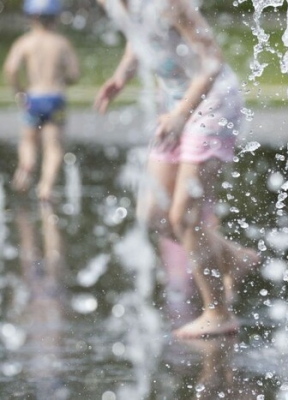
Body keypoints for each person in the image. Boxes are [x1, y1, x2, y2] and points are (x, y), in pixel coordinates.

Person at [94, 0, 257, 338]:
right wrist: (121, 76)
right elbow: (136, 35)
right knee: (153, 214)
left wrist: (182, 114)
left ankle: (218, 312)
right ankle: (233, 257)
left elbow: (212, 61)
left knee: (184, 215)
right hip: (172, 109)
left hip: (211, 104)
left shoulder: (169, 3)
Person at [3, 0, 80, 201]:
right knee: (53, 146)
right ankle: (46, 187)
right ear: (55, 18)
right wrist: (65, 79)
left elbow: (10, 68)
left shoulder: (25, 42)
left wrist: (20, 91)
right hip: (55, 98)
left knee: (28, 140)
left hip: (33, 98)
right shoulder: (61, 43)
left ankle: (27, 164)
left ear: (31, 18)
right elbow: (74, 73)